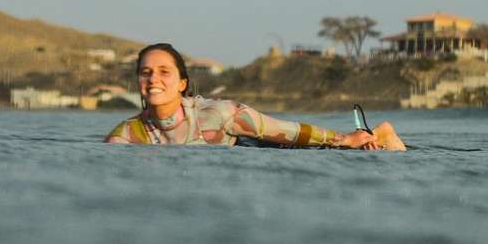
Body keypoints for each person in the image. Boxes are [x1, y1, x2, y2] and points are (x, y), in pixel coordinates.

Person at [104, 43, 406, 151]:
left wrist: (344, 140)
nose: (153, 79)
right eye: (145, 72)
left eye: (163, 71)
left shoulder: (219, 113)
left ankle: (381, 134)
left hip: (274, 150)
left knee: (365, 151)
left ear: (183, 83)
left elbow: (288, 131)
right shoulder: (128, 134)